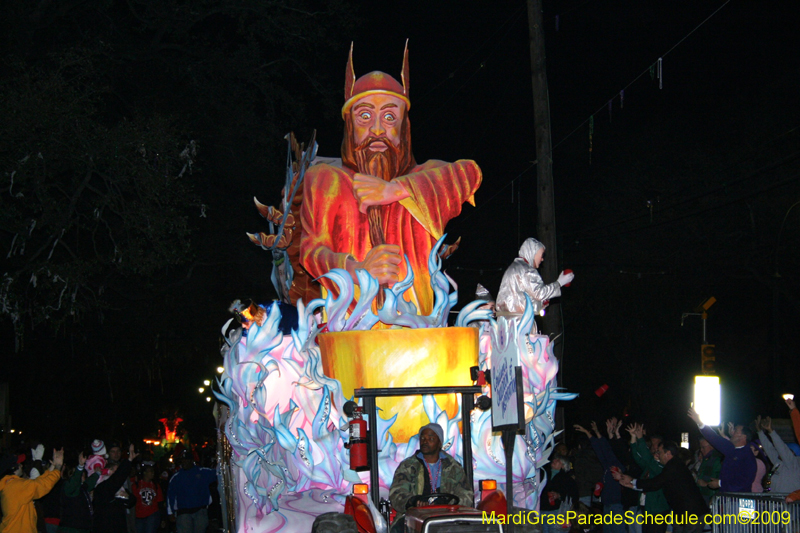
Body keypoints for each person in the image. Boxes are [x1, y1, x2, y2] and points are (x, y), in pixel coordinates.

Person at [300, 43, 483, 316]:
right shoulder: (326, 179)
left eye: (389, 117)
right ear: (349, 125)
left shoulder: (421, 177)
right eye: (364, 116)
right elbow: (311, 250)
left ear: (403, 127)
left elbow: (470, 173)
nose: (376, 129)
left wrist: (394, 190)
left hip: (416, 329)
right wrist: (357, 269)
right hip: (351, 330)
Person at [388, 423, 473, 533]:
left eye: (430, 438)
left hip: (447, 518)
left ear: (439, 443)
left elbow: (467, 495)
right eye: (422, 438)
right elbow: (396, 494)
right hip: (413, 518)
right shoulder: (408, 466)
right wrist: (413, 501)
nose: (425, 441)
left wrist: (447, 504)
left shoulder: (453, 467)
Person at [614, 441, 709, 533]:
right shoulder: (674, 465)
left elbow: (656, 483)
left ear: (668, 453)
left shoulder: (673, 466)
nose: (658, 455)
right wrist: (632, 484)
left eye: (660, 452)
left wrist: (632, 481)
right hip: (684, 514)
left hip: (692, 513)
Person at [496, 238, 573, 330]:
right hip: (520, 324)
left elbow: (524, 300)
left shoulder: (514, 268)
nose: (542, 259)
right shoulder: (527, 270)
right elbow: (539, 293)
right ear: (532, 252)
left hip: (504, 324)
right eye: (541, 254)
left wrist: (544, 302)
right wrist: (559, 283)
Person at [687, 408, 756, 493]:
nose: (732, 431)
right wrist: (700, 422)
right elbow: (714, 439)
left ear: (743, 437)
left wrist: (720, 483)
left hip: (740, 501)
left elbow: (744, 482)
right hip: (727, 498)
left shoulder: (748, 457)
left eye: (735, 431)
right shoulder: (732, 449)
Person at [0, 448, 63, 533]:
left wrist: (53, 466)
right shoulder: (16, 486)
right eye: (19, 464)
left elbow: (37, 482)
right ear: (13, 467)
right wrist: (58, 468)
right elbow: (41, 486)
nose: (22, 465)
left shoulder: (10, 484)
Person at [626, 423, 669, 533]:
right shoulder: (651, 465)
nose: (654, 448)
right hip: (646, 508)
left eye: (657, 445)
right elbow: (638, 457)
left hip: (657, 510)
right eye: (653, 445)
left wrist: (640, 438)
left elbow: (647, 458)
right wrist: (633, 437)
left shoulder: (663, 466)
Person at [166, 450, 217, 533]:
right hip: (183, 513)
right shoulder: (176, 477)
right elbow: (170, 496)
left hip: (200, 510)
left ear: (191, 461)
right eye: (182, 460)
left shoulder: (203, 472)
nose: (184, 462)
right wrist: (170, 512)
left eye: (186, 460)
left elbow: (219, 473)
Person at [92, 444, 138, 533]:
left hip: (119, 525)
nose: (116, 473)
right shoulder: (102, 486)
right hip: (105, 526)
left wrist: (127, 496)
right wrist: (129, 461)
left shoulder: (119, 488)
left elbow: (132, 500)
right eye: (114, 471)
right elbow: (115, 480)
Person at [756, 415, 800, 493]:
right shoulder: (779, 463)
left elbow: (782, 449)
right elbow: (769, 449)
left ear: (793, 453)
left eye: (789, 451)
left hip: (789, 502)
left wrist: (771, 431)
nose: (781, 453)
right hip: (776, 501)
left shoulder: (794, 464)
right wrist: (760, 432)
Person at [57, 452, 99, 533]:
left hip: (83, 529)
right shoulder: (68, 487)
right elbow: (74, 482)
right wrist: (80, 467)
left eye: (83, 474)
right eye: (80, 475)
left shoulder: (82, 488)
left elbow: (89, 482)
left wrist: (97, 473)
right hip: (71, 529)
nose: (82, 476)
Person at [538, 454, 578, 533]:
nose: (554, 460)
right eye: (555, 459)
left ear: (563, 465)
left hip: (557, 512)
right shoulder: (543, 474)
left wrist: (559, 495)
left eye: (558, 460)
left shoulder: (567, 479)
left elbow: (574, 496)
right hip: (542, 510)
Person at [132, 464, 163, 533]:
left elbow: (160, 501)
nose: (152, 473)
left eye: (153, 471)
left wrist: (162, 518)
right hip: (139, 515)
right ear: (144, 472)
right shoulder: (136, 485)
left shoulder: (155, 485)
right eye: (150, 471)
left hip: (152, 513)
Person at [693, 438, 721, 504]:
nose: (701, 450)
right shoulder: (706, 459)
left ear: (712, 446)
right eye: (700, 447)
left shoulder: (717, 459)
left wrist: (706, 484)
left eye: (703, 447)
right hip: (704, 495)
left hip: (710, 497)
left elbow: (719, 479)